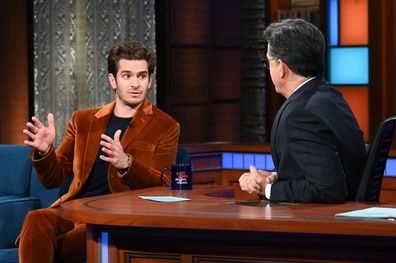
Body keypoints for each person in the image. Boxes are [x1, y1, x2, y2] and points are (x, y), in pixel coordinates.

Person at [18, 40, 180, 262]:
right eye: (127, 75)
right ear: (113, 80)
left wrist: (127, 164)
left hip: (116, 218)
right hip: (74, 210)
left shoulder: (166, 126)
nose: (135, 83)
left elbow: (166, 184)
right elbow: (54, 179)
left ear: (150, 80)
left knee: (45, 247)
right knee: (36, 218)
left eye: (142, 76)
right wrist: (46, 151)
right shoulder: (83, 121)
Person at [239, 18, 366, 203]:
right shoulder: (330, 96)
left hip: (324, 224)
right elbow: (318, 167)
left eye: (268, 63)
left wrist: (268, 189)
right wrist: (274, 176)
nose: (269, 69)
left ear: (281, 67)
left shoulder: (300, 115)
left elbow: (328, 189)